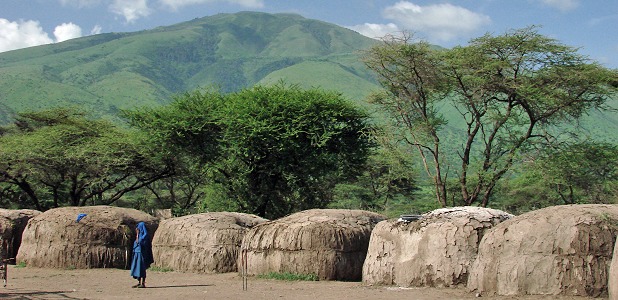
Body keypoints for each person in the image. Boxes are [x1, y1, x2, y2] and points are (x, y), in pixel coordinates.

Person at [130, 222, 154, 288]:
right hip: (137, 254)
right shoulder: (140, 236)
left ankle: (143, 283)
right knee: (137, 268)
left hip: (141, 255)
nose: (137, 229)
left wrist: (137, 234)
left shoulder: (144, 237)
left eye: (138, 228)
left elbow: (139, 242)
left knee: (142, 268)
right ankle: (139, 282)